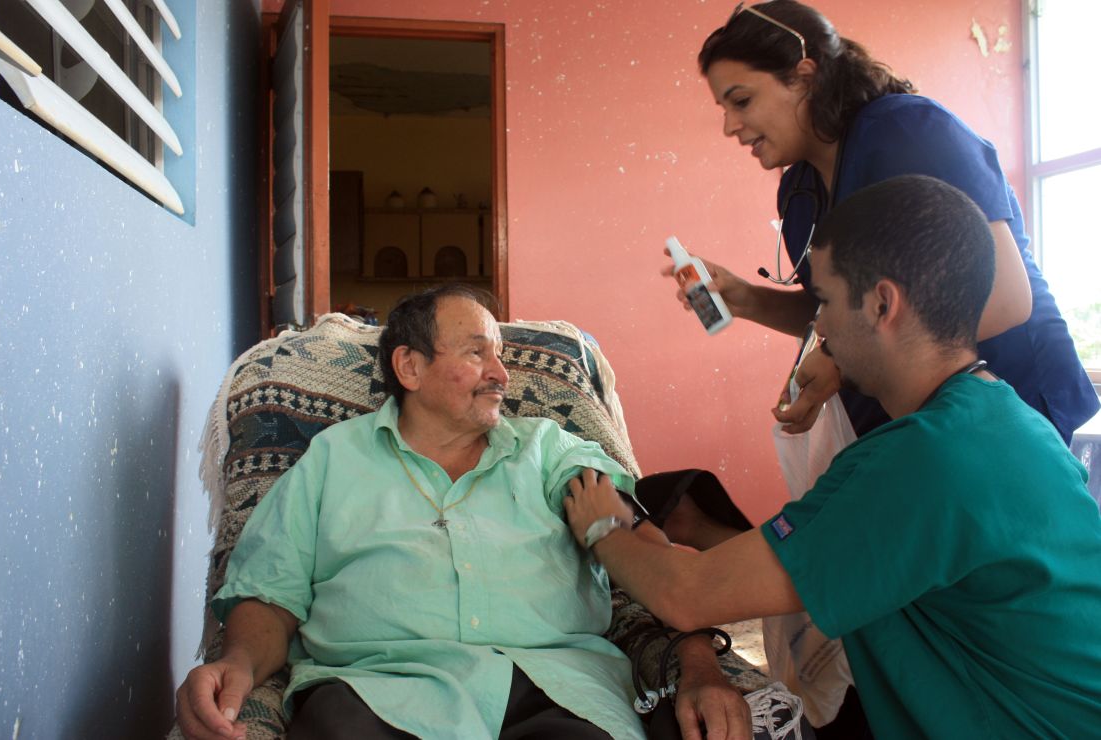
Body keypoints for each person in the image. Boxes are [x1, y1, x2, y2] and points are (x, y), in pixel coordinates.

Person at [569, 175, 1101, 737]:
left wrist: (603, 524)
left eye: (822, 301)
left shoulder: (918, 461)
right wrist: (697, 531)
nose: (817, 326)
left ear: (881, 303)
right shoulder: (1005, 418)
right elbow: (833, 563)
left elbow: (687, 595)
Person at [173, 285, 755, 740]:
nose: (502, 375)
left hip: (559, 692)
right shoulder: (331, 461)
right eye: (477, 353)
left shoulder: (547, 450)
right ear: (410, 368)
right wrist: (240, 665)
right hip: (375, 695)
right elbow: (270, 596)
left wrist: (697, 660)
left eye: (498, 356)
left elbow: (631, 539)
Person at [668, 0, 1097, 443]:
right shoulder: (798, 192)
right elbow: (843, 313)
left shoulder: (910, 133)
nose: (729, 127)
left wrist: (838, 362)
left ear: (805, 76)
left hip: (1008, 407)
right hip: (917, 428)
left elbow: (1004, 297)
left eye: (742, 100)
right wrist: (747, 300)